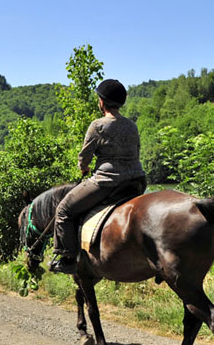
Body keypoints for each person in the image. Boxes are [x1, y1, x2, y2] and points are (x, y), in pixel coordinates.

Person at [49, 79, 146, 274]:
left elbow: (84, 157)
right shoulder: (131, 126)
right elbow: (136, 151)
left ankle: (67, 258)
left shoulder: (98, 125)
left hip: (108, 182)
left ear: (101, 102)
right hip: (137, 181)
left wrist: (83, 168)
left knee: (63, 210)